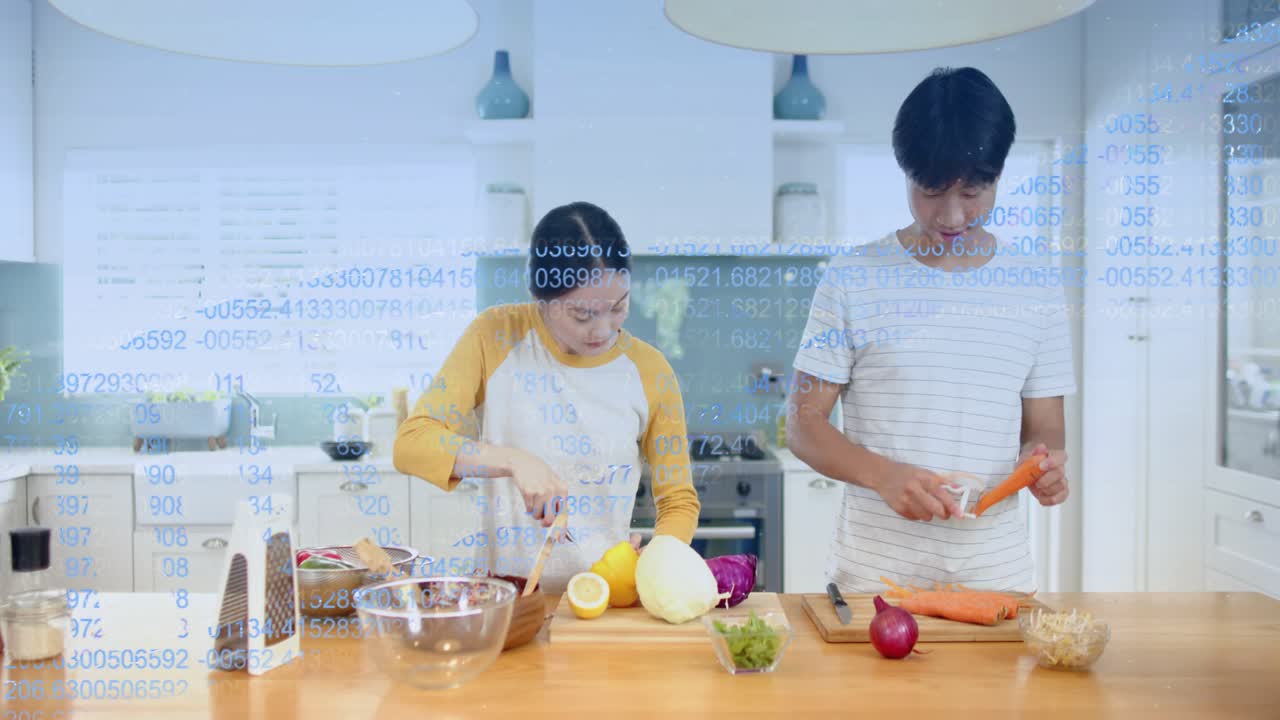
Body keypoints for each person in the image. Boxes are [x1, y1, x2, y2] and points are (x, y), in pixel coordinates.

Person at [786, 67, 1076, 594]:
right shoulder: (852, 278)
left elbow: (1046, 428)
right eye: (931, 191)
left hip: (996, 580)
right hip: (874, 583)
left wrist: (1044, 464)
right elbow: (803, 424)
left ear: (998, 176)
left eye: (973, 192)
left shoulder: (1036, 285)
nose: (952, 215)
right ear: (906, 173)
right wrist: (883, 476)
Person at [393, 201, 700, 593]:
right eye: (582, 314)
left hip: (604, 601)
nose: (603, 330)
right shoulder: (495, 336)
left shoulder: (649, 370)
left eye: (618, 307)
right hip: (505, 602)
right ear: (541, 299)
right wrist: (514, 461)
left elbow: (678, 501)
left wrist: (659, 560)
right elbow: (412, 442)